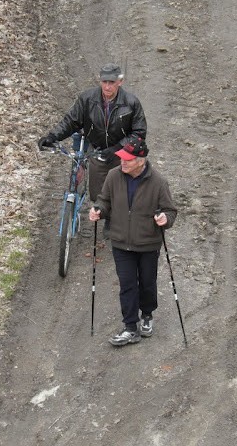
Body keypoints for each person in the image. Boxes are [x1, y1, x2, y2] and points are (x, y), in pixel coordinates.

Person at [88, 137, 177, 347]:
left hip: (147, 243)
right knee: (127, 285)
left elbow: (170, 211)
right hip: (120, 241)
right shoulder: (113, 176)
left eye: (128, 159)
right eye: (122, 158)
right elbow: (104, 200)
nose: (123, 162)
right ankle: (130, 327)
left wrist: (165, 219)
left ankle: (147, 314)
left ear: (141, 160)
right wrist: (98, 210)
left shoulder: (158, 182)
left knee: (147, 282)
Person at [37, 63, 148, 219]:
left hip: (122, 153)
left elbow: (139, 133)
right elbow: (71, 121)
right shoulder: (87, 99)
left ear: (120, 82)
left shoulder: (131, 103)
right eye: (104, 82)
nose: (107, 86)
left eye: (111, 82)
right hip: (97, 151)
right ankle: (103, 214)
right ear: (100, 80)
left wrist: (118, 148)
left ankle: (113, 222)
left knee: (121, 191)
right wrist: (52, 136)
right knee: (98, 193)